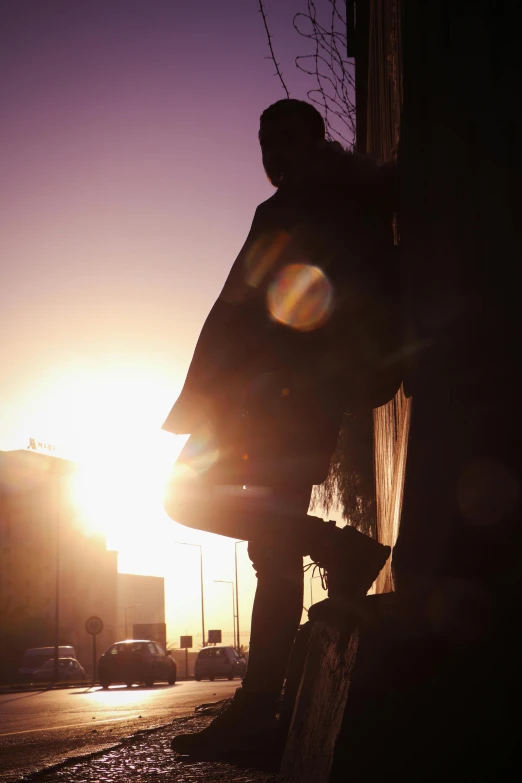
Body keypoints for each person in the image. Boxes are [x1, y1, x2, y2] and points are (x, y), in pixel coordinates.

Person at [162, 99, 400, 761]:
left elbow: (299, 307)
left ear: (316, 140)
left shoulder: (321, 205)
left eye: (289, 137)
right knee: (269, 547)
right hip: (264, 401)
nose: (275, 150)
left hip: (278, 401)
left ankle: (258, 707)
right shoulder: (322, 202)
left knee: (191, 500)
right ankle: (259, 709)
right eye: (266, 139)